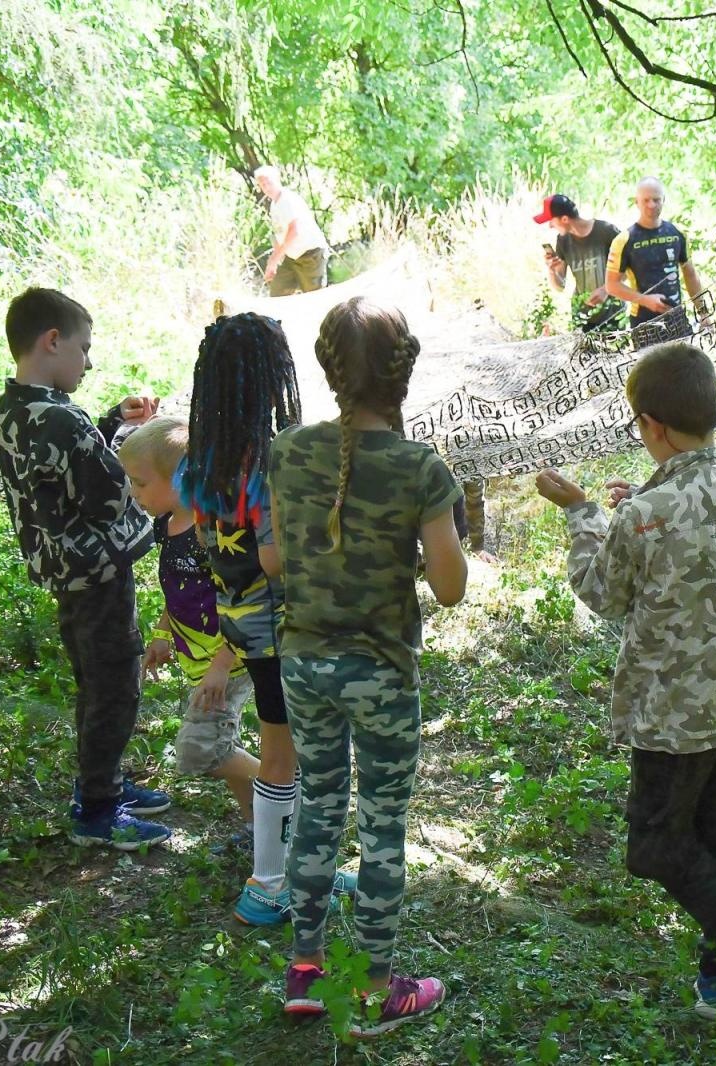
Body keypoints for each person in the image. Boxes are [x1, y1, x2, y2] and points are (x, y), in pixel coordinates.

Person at [534, 342, 716, 1042]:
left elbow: (603, 592)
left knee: (659, 846)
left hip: (673, 718)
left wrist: (580, 512)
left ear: (652, 426)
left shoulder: (645, 515)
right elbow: (704, 542)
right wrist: (637, 508)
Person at [269, 296, 466, 1035]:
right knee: (382, 828)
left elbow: (280, 558)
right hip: (380, 673)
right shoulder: (420, 467)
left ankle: (305, 970)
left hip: (303, 663)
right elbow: (448, 588)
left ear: (330, 370)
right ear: (400, 372)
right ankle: (377, 989)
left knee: (318, 806)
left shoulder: (286, 452)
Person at [0, 287, 172, 849]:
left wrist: (111, 423)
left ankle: (104, 784)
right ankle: (98, 810)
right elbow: (112, 494)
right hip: (96, 574)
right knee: (114, 685)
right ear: (52, 341)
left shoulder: (15, 407)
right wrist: (136, 445)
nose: (89, 362)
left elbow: (65, 463)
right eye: (84, 349)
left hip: (63, 572)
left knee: (93, 681)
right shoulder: (62, 422)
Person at [178, 313, 303, 925]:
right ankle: (271, 885)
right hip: (284, 635)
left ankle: (288, 869)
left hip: (242, 627)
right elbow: (276, 559)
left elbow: (212, 553)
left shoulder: (201, 464)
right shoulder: (274, 463)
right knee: (283, 757)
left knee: (282, 751)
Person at [121, 416, 261, 842]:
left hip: (229, 662)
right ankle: (259, 825)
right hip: (198, 659)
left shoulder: (211, 530)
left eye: (141, 483)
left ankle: (282, 788)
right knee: (215, 748)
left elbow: (241, 598)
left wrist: (222, 664)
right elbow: (177, 589)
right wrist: (164, 632)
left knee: (199, 752)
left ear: (181, 477)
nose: (134, 492)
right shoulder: (168, 526)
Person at [606, 178, 710, 349]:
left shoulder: (676, 234)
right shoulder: (624, 239)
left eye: (656, 199)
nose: (651, 205)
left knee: (687, 370)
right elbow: (612, 285)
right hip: (644, 322)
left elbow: (690, 275)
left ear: (664, 200)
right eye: (646, 200)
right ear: (636, 202)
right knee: (653, 375)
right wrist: (645, 300)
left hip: (676, 317)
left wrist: (703, 313)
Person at [535, 193, 624, 332]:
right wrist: (552, 270)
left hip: (614, 314)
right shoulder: (563, 241)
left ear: (564, 219)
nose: (550, 226)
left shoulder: (606, 231)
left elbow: (629, 268)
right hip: (582, 317)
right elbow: (560, 286)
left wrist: (606, 289)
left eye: (551, 221)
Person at [254, 165, 330, 296]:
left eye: (268, 182)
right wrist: (273, 263)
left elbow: (294, 231)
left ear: (277, 180)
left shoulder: (288, 199)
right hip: (292, 257)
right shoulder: (274, 205)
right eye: (262, 184)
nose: (266, 187)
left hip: (311, 255)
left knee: (315, 298)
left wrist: (274, 259)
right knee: (278, 293)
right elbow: (279, 236)